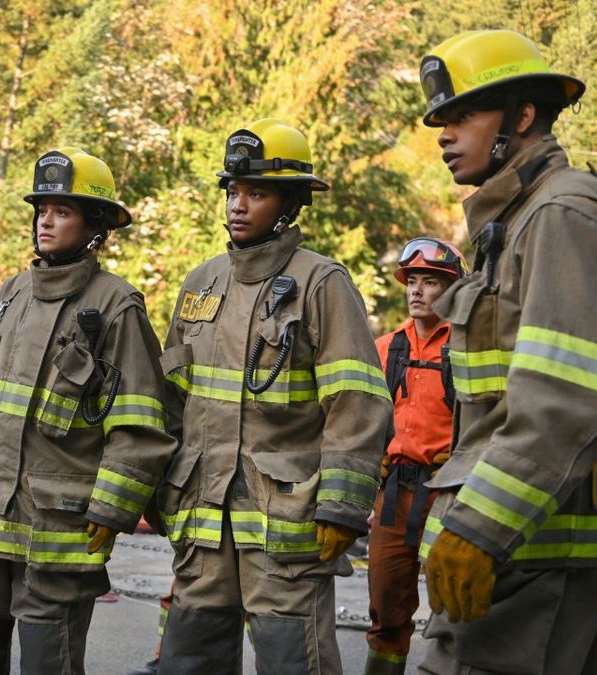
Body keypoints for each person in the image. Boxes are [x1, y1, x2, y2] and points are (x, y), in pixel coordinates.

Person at [415, 30, 597, 674]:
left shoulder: (564, 213)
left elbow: (563, 397)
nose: (443, 133)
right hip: (516, 551)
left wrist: (481, 527)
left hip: (528, 551)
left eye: (463, 115)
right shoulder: (516, 221)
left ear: (521, 116)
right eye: (441, 119)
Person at [0, 147, 178, 675]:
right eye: (42, 209)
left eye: (62, 211)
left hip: (58, 535)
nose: (46, 220)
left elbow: (139, 422)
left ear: (95, 225)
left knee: (49, 664)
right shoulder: (12, 293)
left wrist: (111, 510)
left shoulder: (116, 305)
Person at [155, 118, 391, 674]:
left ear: (289, 204)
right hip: (203, 520)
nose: (237, 205)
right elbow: (170, 399)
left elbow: (358, 406)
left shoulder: (322, 284)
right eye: (233, 191)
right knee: (189, 660)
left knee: (293, 663)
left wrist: (341, 506)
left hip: (286, 522)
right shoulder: (200, 284)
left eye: (255, 193)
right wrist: (159, 491)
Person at [364, 237, 466, 675]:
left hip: (447, 495)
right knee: (386, 607)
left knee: (453, 610)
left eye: (430, 282)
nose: (417, 291)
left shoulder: (466, 349)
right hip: (393, 493)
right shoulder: (387, 348)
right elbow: (364, 422)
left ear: (451, 291)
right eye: (413, 281)